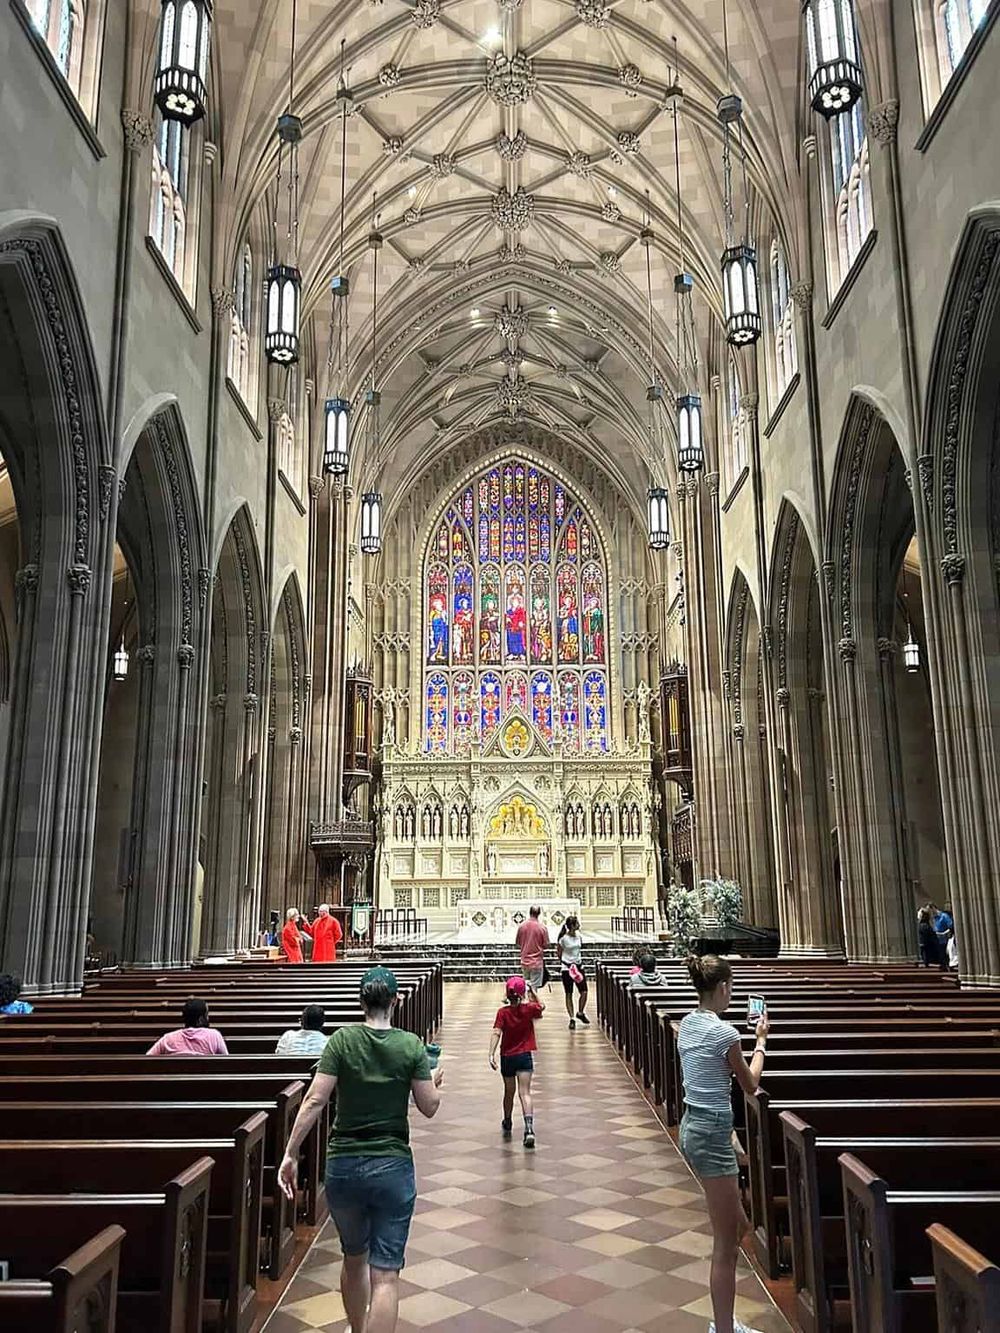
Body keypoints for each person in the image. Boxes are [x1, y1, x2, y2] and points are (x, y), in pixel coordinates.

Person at [278, 967, 443, 1333]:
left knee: (353, 1258)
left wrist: (290, 1152)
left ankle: (356, 1327)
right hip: (392, 1166)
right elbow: (429, 1106)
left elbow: (314, 1099)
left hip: (344, 1165)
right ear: (395, 1001)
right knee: (385, 1274)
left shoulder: (340, 1041)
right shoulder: (410, 1045)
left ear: (360, 1001)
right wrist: (434, 1081)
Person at [677, 955, 769, 1333]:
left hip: (696, 1126)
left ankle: (725, 1320)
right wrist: (761, 1042)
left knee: (740, 1226)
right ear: (723, 988)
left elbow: (706, 1082)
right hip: (711, 1135)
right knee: (725, 1245)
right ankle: (724, 1329)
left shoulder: (687, 1024)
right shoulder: (726, 1034)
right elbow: (750, 1085)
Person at [489, 976, 544, 1148]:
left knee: (509, 1092)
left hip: (508, 1057)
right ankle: (529, 1128)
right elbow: (541, 1006)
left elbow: (497, 1033)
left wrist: (491, 1054)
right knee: (525, 1092)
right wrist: (533, 991)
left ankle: (507, 1120)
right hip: (524, 1055)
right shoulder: (528, 1009)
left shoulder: (502, 1012)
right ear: (522, 993)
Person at [147, 998, 229, 1055]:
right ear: (200, 1019)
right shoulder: (215, 1036)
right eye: (207, 1015)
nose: (208, 1018)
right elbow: (226, 1062)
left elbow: (148, 1059)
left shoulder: (168, 1039)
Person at [557, 915, 589, 1029]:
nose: (579, 925)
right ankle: (571, 1018)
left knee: (584, 991)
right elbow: (559, 953)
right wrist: (566, 963)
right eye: (577, 923)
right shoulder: (563, 939)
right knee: (569, 993)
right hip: (567, 969)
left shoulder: (579, 936)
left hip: (579, 967)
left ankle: (580, 1012)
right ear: (572, 926)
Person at [515, 906, 549, 990]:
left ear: (529, 912)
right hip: (537, 962)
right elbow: (546, 945)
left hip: (525, 961)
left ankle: (526, 1002)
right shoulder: (542, 928)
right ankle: (532, 1003)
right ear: (539, 914)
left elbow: (518, 943)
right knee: (534, 988)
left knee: (525, 987)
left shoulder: (522, 926)